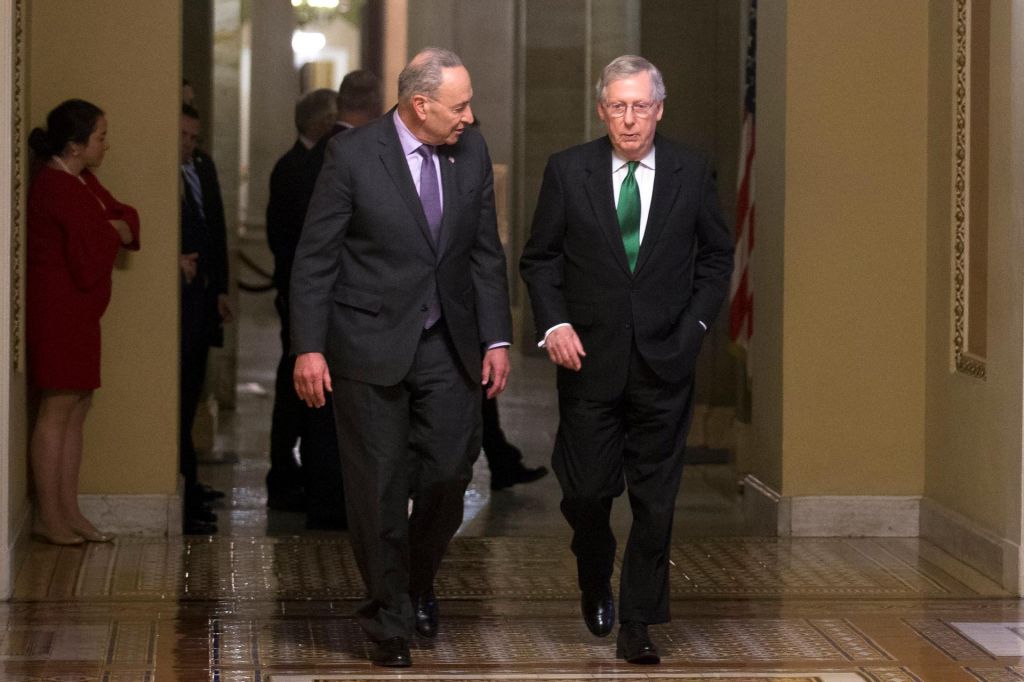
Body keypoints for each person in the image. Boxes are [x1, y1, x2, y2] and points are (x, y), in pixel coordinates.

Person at [290, 47, 512, 667]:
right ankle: (389, 616)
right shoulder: (354, 155)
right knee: (379, 486)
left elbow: (484, 254)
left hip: (449, 343)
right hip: (368, 343)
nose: (470, 115)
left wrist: (497, 337)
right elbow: (317, 258)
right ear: (420, 104)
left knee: (449, 471)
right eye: (459, 104)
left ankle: (415, 578)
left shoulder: (469, 151)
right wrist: (308, 346)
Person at [519, 55, 734, 665]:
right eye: (618, 106)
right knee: (586, 491)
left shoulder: (692, 170)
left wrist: (695, 326)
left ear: (659, 110)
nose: (630, 119)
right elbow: (540, 260)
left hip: (667, 359)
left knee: (655, 500)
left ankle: (638, 620)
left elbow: (717, 257)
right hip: (589, 359)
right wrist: (554, 323)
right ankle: (593, 564)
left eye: (641, 106)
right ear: (601, 110)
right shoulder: (569, 171)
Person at [26, 99, 141, 545]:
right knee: (57, 409)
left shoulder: (81, 180)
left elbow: (127, 222)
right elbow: (92, 244)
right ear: (75, 145)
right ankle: (49, 514)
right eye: (100, 137)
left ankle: (69, 509)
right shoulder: (57, 186)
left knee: (77, 406)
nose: (106, 145)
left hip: (77, 311)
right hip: (57, 310)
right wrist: (109, 228)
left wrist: (110, 227)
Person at [265, 88, 346, 527]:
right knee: (296, 384)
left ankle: (301, 475)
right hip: (302, 293)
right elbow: (292, 238)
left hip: (306, 291)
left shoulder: (307, 163)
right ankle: (290, 475)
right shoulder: (296, 167)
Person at [180, 103, 233, 534]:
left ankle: (191, 484)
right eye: (185, 137)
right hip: (181, 305)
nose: (190, 146)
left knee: (193, 393)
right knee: (180, 400)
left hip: (200, 302)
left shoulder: (199, 167)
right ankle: (184, 487)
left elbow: (215, 229)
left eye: (195, 138)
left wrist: (220, 288)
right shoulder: (170, 174)